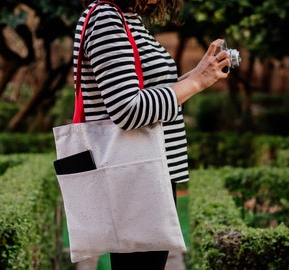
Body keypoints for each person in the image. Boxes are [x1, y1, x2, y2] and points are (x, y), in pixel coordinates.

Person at [75, 0, 230, 269]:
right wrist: (196, 82)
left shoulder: (127, 19)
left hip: (145, 172)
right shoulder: (106, 18)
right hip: (135, 178)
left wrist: (197, 75)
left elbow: (147, 92)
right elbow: (127, 110)